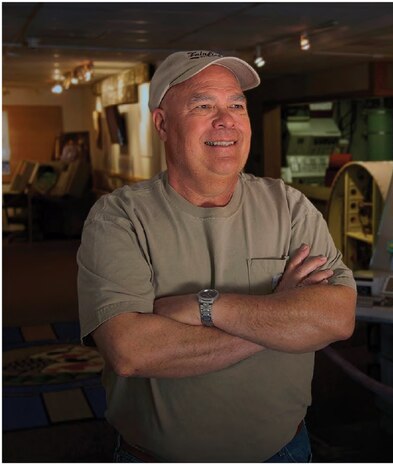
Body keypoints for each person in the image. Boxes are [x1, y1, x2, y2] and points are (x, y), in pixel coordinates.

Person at [77, 50, 357, 462]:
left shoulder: (290, 207)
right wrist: (280, 315)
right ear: (162, 123)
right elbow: (132, 352)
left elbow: (337, 318)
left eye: (236, 105)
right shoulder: (119, 218)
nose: (226, 120)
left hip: (283, 451)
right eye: (203, 104)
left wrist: (204, 307)